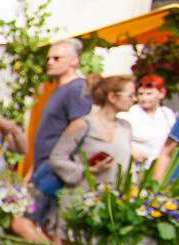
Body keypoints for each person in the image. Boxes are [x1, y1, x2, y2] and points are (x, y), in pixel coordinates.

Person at [46, 74, 137, 219]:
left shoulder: (126, 128)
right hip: (81, 203)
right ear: (113, 97)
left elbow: (127, 165)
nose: (135, 99)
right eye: (131, 95)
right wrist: (86, 170)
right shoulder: (82, 124)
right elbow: (56, 158)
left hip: (112, 206)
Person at [30, 39, 90, 217]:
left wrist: (58, 159)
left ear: (74, 60)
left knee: (28, 221)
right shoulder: (60, 88)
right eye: (49, 58)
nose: (50, 62)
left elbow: (79, 124)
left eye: (57, 58)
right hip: (44, 166)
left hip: (55, 170)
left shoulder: (77, 88)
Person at [121, 73, 174, 166]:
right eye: (140, 94)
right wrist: (130, 149)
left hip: (161, 167)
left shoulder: (168, 114)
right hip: (136, 168)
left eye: (149, 94)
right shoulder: (128, 114)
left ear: (162, 94)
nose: (144, 98)